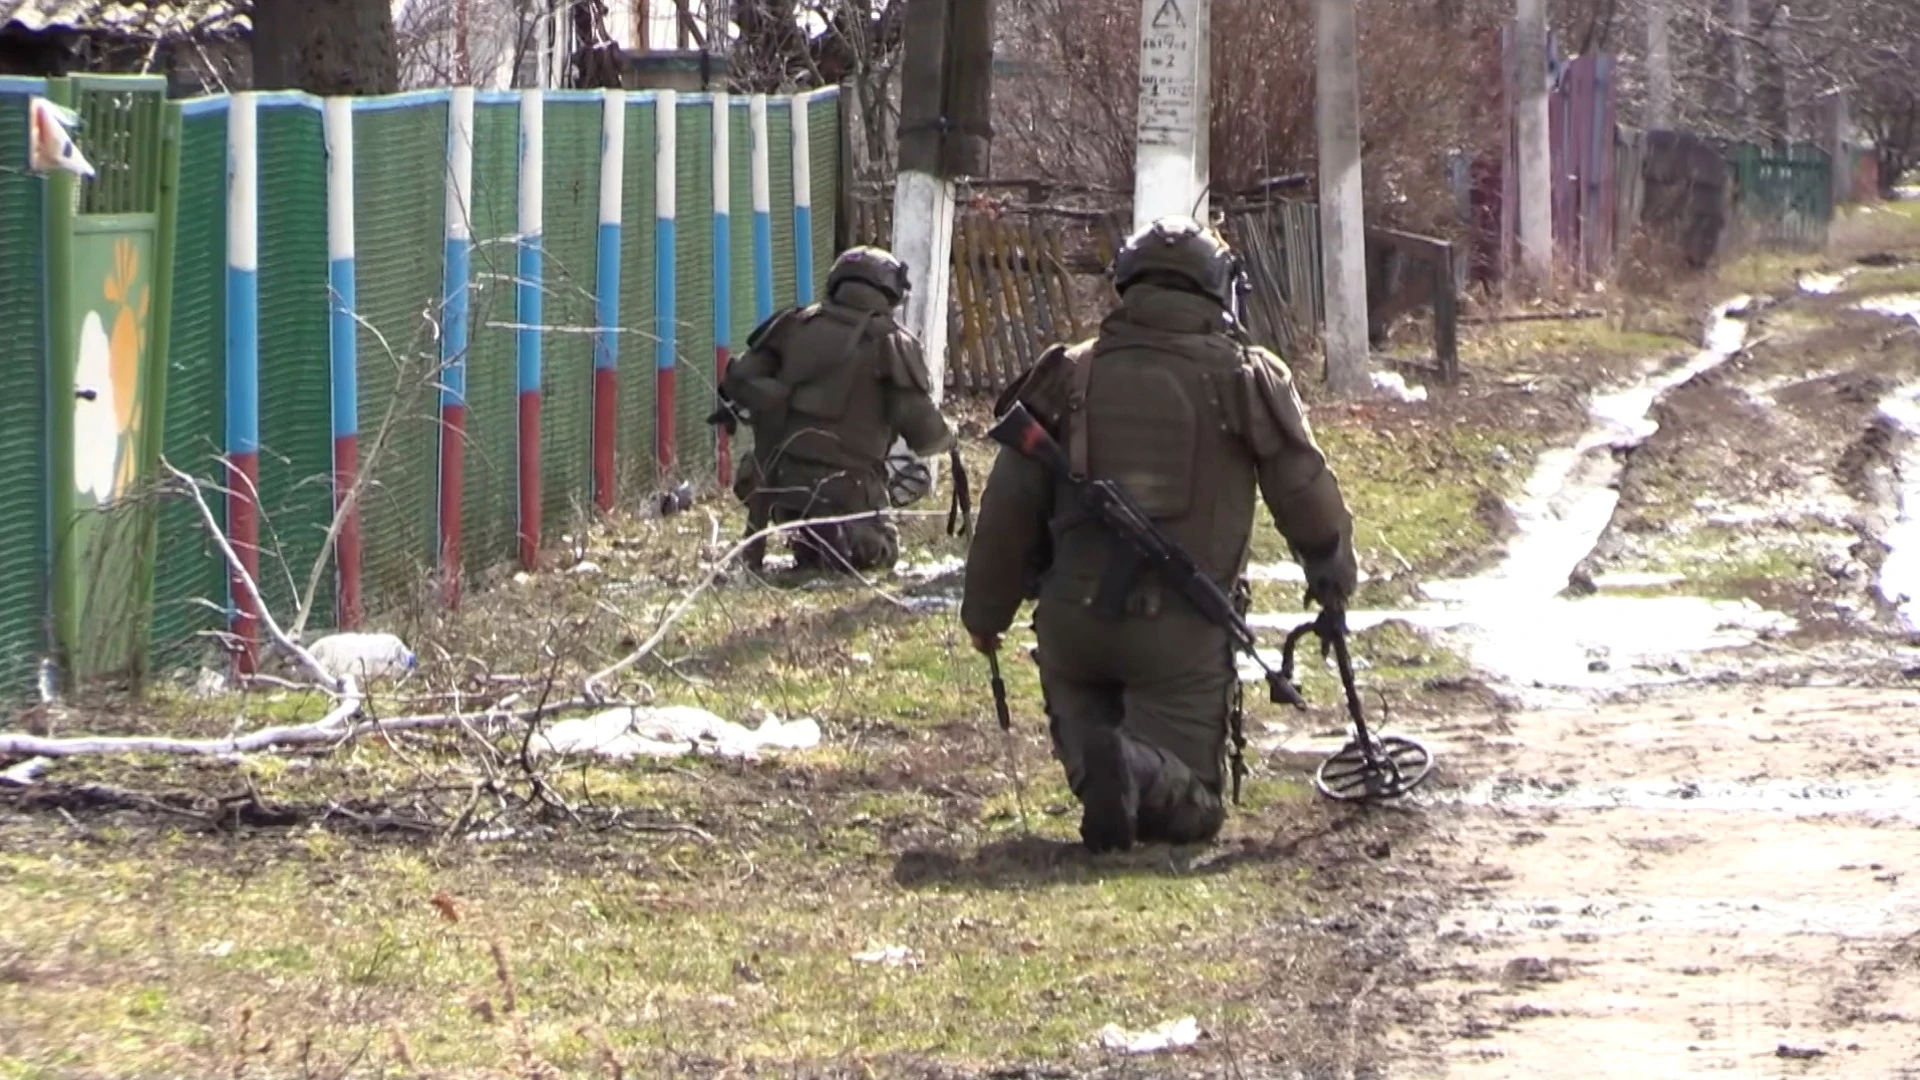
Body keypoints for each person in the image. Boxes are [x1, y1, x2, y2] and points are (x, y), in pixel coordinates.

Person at [960, 216, 1359, 853]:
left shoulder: (1070, 373)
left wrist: (985, 614)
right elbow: (1303, 490)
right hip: (1179, 634)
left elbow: (1009, 505)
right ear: (1217, 290)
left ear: (1124, 284)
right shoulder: (1244, 376)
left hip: (1071, 626)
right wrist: (1332, 576)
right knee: (1192, 807)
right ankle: (1137, 768)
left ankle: (1110, 768)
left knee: (1101, 765)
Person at [711, 245, 955, 573]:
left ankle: (803, 532)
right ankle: (835, 537)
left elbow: (738, 379)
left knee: (788, 489)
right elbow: (926, 437)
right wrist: (952, 434)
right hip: (847, 493)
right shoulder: (892, 344)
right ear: (891, 292)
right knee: (880, 554)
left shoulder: (791, 325)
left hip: (774, 483)